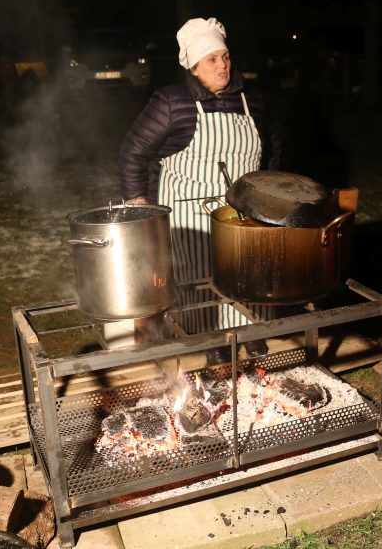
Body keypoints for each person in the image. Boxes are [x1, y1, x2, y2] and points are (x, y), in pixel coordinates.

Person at [119, 17, 281, 341]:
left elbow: (273, 148)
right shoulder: (171, 102)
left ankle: (252, 340)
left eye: (225, 57)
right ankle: (206, 347)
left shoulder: (253, 101)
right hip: (192, 215)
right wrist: (140, 206)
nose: (222, 66)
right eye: (211, 60)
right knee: (200, 286)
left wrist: (272, 197)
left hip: (245, 215)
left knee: (250, 277)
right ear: (193, 67)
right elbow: (132, 152)